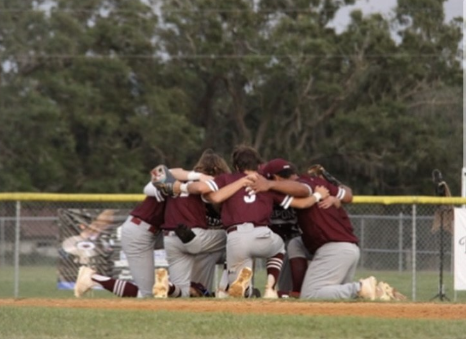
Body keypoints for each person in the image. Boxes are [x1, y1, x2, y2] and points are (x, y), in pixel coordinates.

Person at [254, 158, 404, 301]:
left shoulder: (303, 184)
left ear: (276, 178)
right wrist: (333, 191)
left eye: (270, 179)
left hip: (333, 249)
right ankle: (382, 292)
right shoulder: (319, 182)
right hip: (347, 249)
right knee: (296, 245)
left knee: (312, 294)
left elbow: (303, 190)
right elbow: (348, 195)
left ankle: (361, 287)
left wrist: (269, 184)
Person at [180, 145, 315, 298]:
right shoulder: (264, 183)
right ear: (258, 165)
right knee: (279, 247)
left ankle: (236, 289)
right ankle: (270, 288)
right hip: (261, 234)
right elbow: (302, 204)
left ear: (236, 166)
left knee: (238, 293)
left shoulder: (227, 179)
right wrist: (318, 196)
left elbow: (207, 192)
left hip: (236, 238)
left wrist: (182, 186)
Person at [152, 149, 248, 298]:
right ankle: (224, 290)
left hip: (171, 238)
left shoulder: (178, 180)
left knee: (181, 293)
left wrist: (189, 179)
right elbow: (202, 188)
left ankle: (168, 286)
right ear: (216, 170)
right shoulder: (208, 182)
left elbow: (157, 173)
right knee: (236, 238)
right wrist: (203, 180)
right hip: (194, 235)